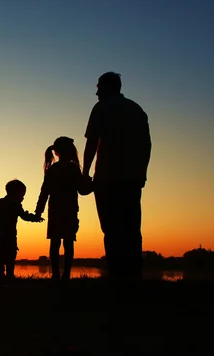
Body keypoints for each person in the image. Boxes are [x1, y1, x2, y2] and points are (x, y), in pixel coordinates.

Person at [81, 72, 152, 282]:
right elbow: (146, 145)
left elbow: (92, 142)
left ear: (107, 87)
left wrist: (85, 173)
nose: (96, 92)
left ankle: (116, 276)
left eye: (98, 87)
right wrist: (141, 174)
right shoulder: (136, 110)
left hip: (107, 178)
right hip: (132, 178)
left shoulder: (101, 108)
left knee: (111, 229)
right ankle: (133, 276)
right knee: (131, 228)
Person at [34, 137, 92, 283]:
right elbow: (82, 190)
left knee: (55, 244)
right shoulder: (73, 169)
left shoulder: (52, 169)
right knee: (68, 243)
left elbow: (44, 192)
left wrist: (38, 211)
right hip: (70, 211)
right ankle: (65, 275)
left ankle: (55, 275)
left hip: (54, 211)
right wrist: (93, 183)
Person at [0, 180, 43, 279]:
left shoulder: (0, 203)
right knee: (10, 255)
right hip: (9, 235)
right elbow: (24, 216)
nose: (22, 198)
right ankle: (9, 274)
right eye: (22, 195)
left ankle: (1, 274)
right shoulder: (16, 206)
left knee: (0, 256)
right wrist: (35, 218)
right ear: (15, 194)